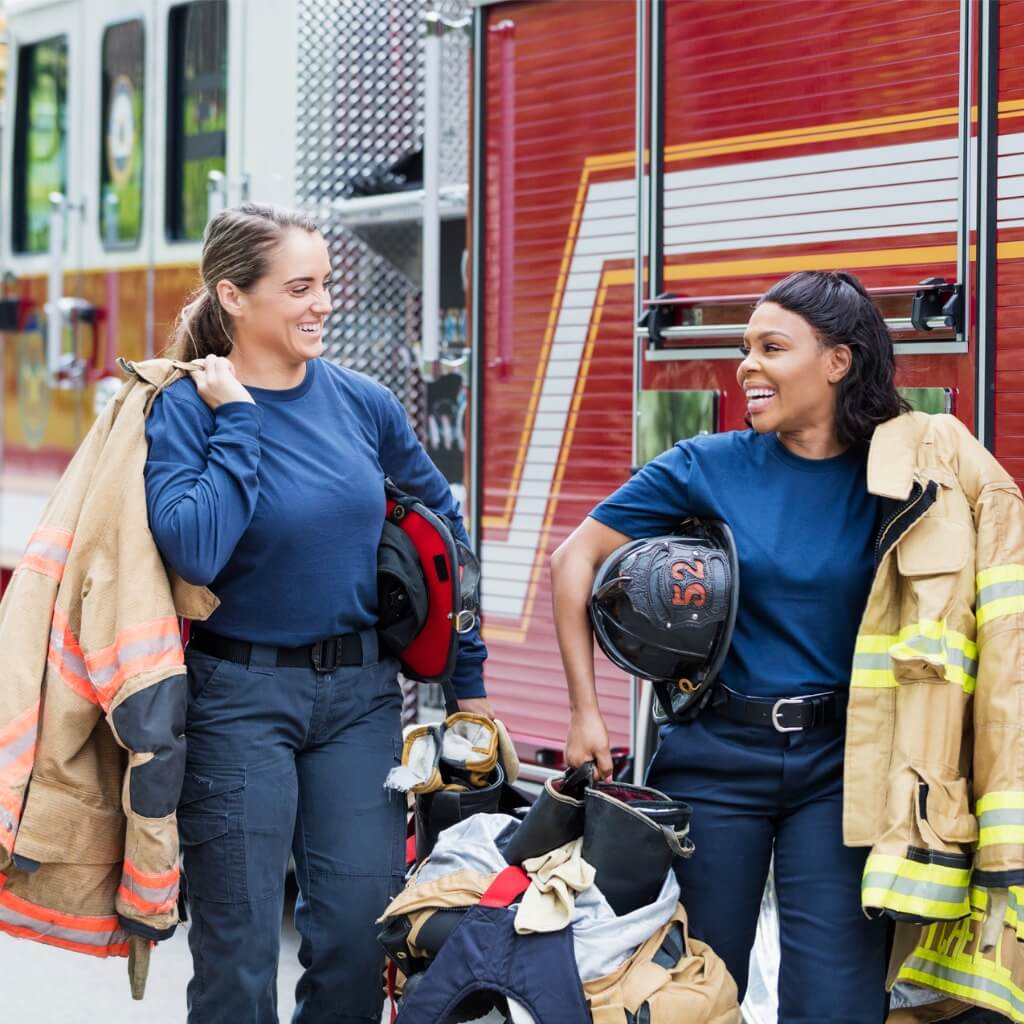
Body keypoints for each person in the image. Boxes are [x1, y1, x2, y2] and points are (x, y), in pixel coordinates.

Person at [144, 202, 492, 1024]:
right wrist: (237, 419)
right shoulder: (185, 409)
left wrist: (466, 684)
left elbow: (446, 538)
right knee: (238, 947)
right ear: (234, 297)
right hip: (237, 698)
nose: (322, 304)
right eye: (299, 287)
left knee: (357, 939)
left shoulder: (363, 404)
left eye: (325, 284)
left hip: (360, 699)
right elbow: (193, 548)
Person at [549, 271, 905, 1022]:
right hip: (714, 758)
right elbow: (572, 562)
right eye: (745, 347)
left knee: (839, 1003)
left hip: (841, 766)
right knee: (697, 993)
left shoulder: (899, 473)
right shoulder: (705, 464)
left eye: (771, 347)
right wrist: (588, 713)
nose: (747, 365)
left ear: (837, 363)